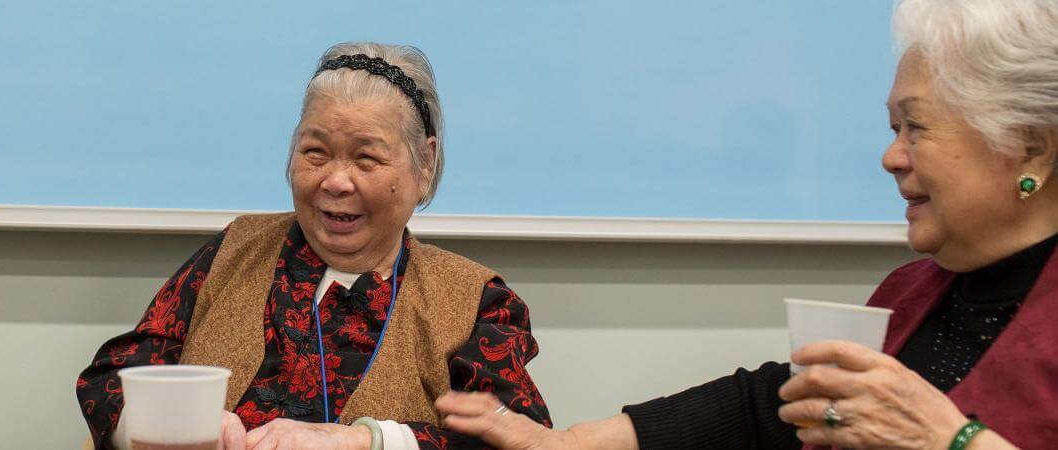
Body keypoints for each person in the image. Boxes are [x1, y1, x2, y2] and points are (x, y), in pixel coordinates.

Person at [435, 0, 1056, 448]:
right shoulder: (909, 291)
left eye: (916, 127)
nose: (891, 157)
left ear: (1031, 147)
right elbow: (769, 405)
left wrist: (951, 439)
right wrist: (568, 443)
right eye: (894, 129)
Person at [77, 42, 552, 449]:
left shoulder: (476, 301)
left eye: (366, 158)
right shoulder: (233, 251)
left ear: (424, 165)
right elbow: (111, 380)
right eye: (315, 152)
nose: (335, 181)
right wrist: (173, 425)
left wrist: (364, 440)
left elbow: (518, 437)